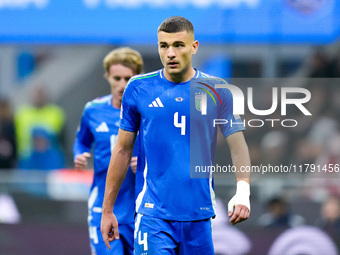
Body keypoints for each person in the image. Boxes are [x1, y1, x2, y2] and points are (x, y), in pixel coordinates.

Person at [101, 16, 251, 255]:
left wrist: (243, 192)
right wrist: (107, 210)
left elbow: (237, 145)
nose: (170, 53)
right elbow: (122, 150)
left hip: (199, 216)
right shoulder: (139, 88)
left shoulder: (217, 89)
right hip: (154, 215)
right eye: (164, 46)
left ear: (194, 47)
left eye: (178, 45)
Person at [73, 47, 144, 255]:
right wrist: (80, 154)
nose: (122, 85)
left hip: (139, 209)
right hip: (102, 207)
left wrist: (146, 164)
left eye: (128, 78)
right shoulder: (93, 110)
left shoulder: (149, 111)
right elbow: (81, 142)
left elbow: (166, 151)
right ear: (107, 76)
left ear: (137, 77)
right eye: (117, 78)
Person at [14, 85, 65, 169]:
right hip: (25, 157)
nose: (39, 98)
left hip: (50, 158)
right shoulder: (22, 113)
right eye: (37, 95)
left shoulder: (56, 113)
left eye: (41, 95)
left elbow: (62, 138)